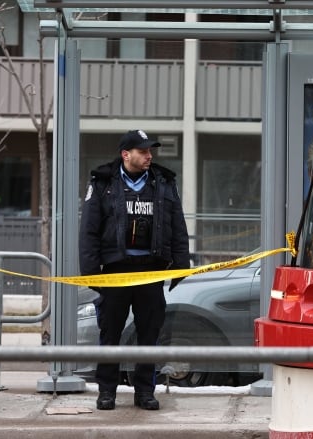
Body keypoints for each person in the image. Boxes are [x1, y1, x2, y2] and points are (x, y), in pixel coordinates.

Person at [79, 129, 190, 411]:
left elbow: (178, 225)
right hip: (116, 270)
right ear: (126, 154)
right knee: (110, 334)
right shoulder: (103, 182)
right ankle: (107, 392)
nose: (149, 155)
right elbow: (89, 230)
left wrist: (180, 265)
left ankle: (145, 392)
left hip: (150, 271)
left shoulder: (163, 182)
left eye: (150, 150)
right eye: (143, 151)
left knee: (149, 335)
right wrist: (91, 271)